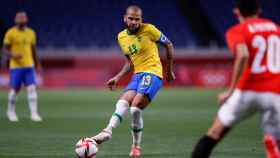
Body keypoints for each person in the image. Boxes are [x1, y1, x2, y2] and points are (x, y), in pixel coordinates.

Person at [191, 0, 280, 157]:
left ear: (236, 12)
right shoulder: (276, 29)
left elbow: (243, 54)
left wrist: (231, 90)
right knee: (275, 141)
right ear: (259, 10)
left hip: (248, 90)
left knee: (214, 133)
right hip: (276, 92)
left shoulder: (237, 30)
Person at [92, 5, 175, 157]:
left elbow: (168, 44)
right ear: (125, 18)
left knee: (135, 108)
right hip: (137, 75)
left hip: (153, 72)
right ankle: (108, 131)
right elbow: (130, 62)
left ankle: (136, 147)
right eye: (131, 18)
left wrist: (168, 70)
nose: (134, 22)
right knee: (122, 102)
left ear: (141, 20)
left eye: (137, 19)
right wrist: (117, 77)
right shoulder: (121, 37)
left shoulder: (150, 29)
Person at [3, 11, 42, 122]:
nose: (21, 20)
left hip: (29, 65)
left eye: (23, 18)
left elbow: (33, 50)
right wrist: (13, 55)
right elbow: (4, 50)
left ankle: (34, 113)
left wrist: (38, 63)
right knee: (15, 89)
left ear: (26, 20)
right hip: (16, 67)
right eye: (19, 18)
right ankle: (10, 112)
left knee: (32, 88)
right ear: (15, 20)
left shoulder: (31, 33)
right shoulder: (10, 33)